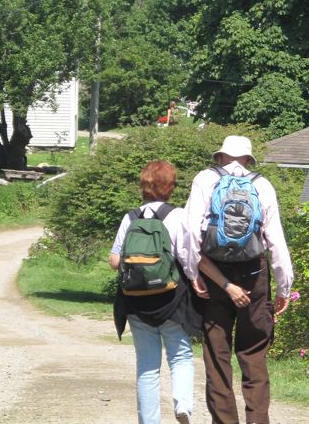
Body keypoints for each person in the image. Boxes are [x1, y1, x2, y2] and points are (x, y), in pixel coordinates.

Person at [178, 135, 294, 424]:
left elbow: (190, 232)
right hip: (255, 274)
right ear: (248, 159)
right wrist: (284, 286)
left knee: (216, 353)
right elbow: (275, 239)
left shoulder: (205, 179)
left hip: (215, 274)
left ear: (221, 157)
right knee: (253, 352)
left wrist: (194, 273)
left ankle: (224, 421)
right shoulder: (261, 184)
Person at [109, 160, 201, 424]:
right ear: (170, 186)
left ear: (144, 185)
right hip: (172, 299)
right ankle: (182, 404)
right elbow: (188, 257)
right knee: (180, 356)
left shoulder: (130, 217)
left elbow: (115, 261)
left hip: (136, 302)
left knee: (147, 367)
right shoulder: (179, 215)